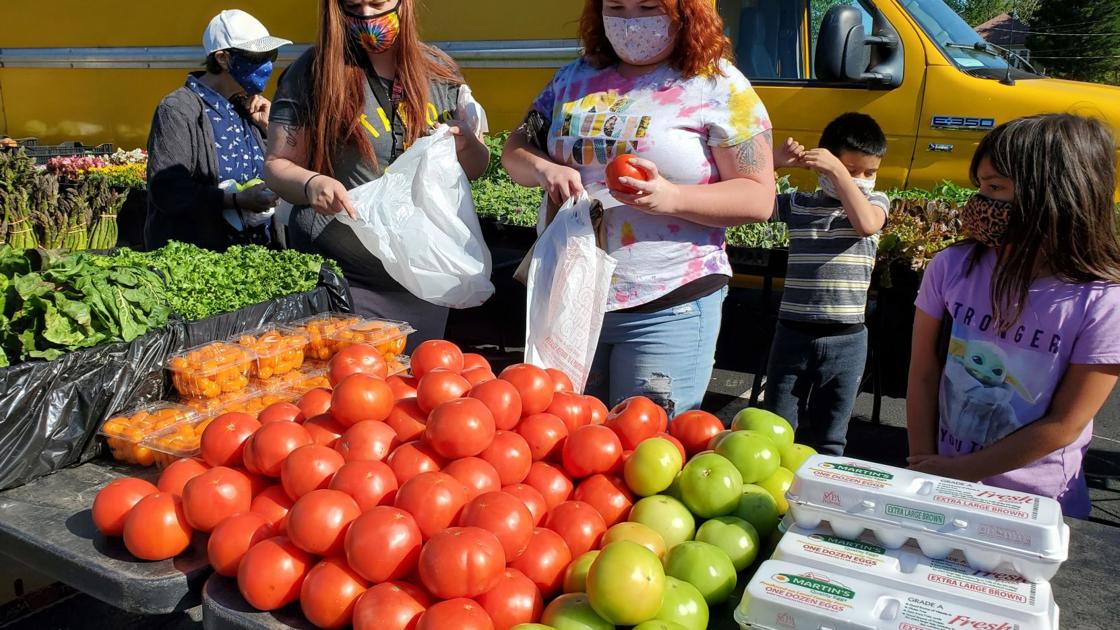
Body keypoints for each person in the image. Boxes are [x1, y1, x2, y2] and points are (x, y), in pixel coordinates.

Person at [502, 0, 775, 415]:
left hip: (668, 302)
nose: (631, 21)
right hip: (572, 299)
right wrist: (543, 169)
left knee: (646, 456)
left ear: (685, 12)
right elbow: (515, 150)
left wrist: (671, 197)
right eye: (617, 7)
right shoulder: (573, 78)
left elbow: (758, 197)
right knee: (565, 449)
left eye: (648, 6)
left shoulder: (719, 85)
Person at [907, 114, 1120, 517]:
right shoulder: (953, 266)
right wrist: (925, 465)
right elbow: (922, 370)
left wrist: (963, 471)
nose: (979, 203)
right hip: (944, 484)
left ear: (1053, 196)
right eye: (980, 187)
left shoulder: (1104, 302)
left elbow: (1065, 424)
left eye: (995, 188)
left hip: (1036, 507)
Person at [263, 0, 490, 347]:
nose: (367, 16)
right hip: (345, 283)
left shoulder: (438, 72)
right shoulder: (313, 72)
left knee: (411, 392)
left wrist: (469, 145)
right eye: (354, 6)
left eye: (378, 3)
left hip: (422, 282)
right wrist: (312, 184)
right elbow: (277, 165)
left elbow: (472, 169)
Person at [764, 113, 889, 455]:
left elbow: (866, 225)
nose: (862, 180)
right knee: (776, 429)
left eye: (870, 172)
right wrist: (773, 164)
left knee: (830, 436)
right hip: (792, 332)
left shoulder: (876, 203)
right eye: (851, 170)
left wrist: (839, 173)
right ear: (821, 165)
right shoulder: (799, 205)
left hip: (846, 339)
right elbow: (756, 205)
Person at [146, 10, 290, 251]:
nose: (268, 65)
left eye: (271, 56)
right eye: (258, 57)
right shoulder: (178, 109)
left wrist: (271, 129)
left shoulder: (248, 107)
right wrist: (235, 200)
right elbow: (168, 190)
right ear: (223, 59)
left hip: (258, 256)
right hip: (203, 262)